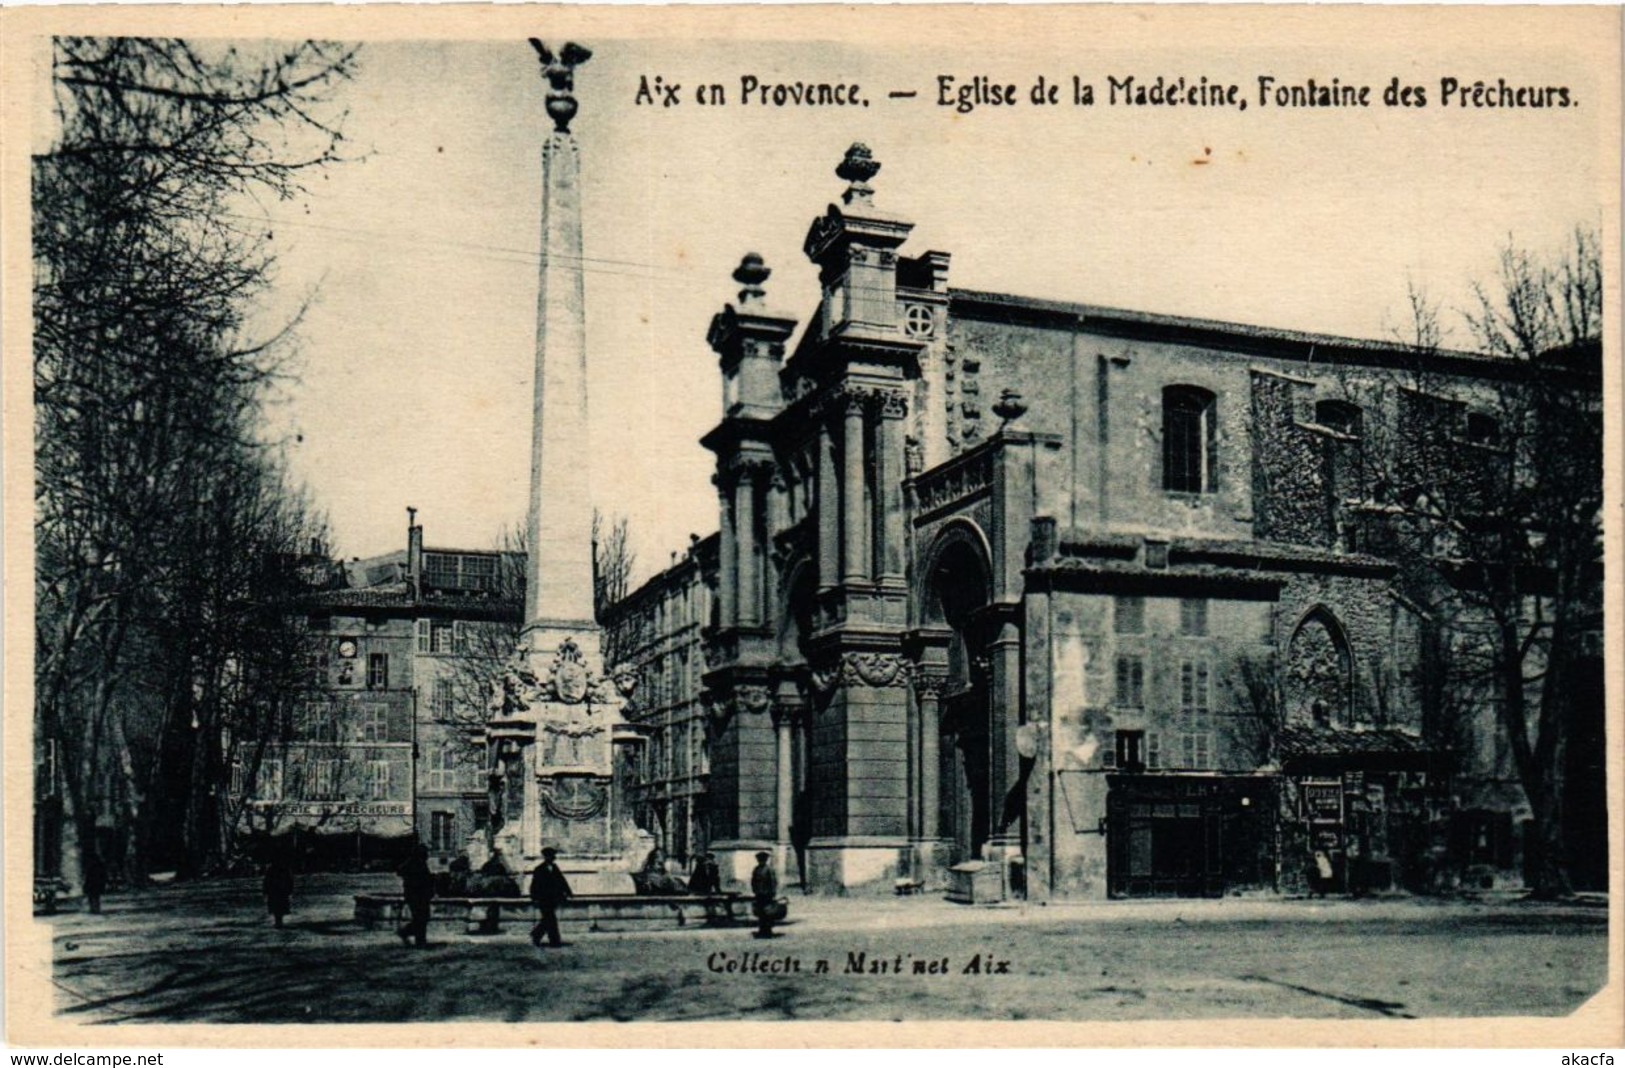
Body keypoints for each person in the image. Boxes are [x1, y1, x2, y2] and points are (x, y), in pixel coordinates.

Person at [528, 847, 572, 948]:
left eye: (553, 856)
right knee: (550, 918)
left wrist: (568, 892)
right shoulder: (539, 869)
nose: (553, 857)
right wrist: (534, 897)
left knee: (548, 919)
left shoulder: (555, 867)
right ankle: (553, 940)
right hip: (543, 898)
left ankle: (537, 935)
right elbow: (534, 885)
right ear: (546, 857)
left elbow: (561, 881)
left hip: (553, 898)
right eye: (551, 856)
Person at [396, 842, 434, 947]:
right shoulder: (416, 863)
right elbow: (422, 879)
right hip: (416, 895)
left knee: (422, 918)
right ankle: (419, 940)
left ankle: (410, 934)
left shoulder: (418, 863)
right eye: (426, 853)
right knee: (421, 918)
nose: (427, 855)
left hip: (419, 895)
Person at [750, 851, 780, 939]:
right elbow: (753, 881)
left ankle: (768, 930)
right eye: (759, 860)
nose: (760, 861)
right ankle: (762, 930)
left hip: (767, 894)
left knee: (768, 913)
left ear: (766, 860)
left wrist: (773, 892)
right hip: (759, 894)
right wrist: (755, 890)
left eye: (762, 859)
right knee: (760, 912)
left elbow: (773, 882)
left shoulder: (769, 869)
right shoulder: (756, 869)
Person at [262, 856, 294, 928]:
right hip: (279, 891)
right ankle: (279, 921)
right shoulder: (284, 869)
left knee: (277, 907)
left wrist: (265, 891)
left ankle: (278, 921)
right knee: (279, 907)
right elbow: (290, 880)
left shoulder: (272, 869)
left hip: (277, 891)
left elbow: (266, 881)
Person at [81, 848, 106, 915]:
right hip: (96, 884)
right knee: (96, 897)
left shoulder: (90, 866)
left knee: (92, 897)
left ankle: (93, 909)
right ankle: (96, 909)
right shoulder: (100, 865)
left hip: (92, 884)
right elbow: (103, 875)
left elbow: (88, 876)